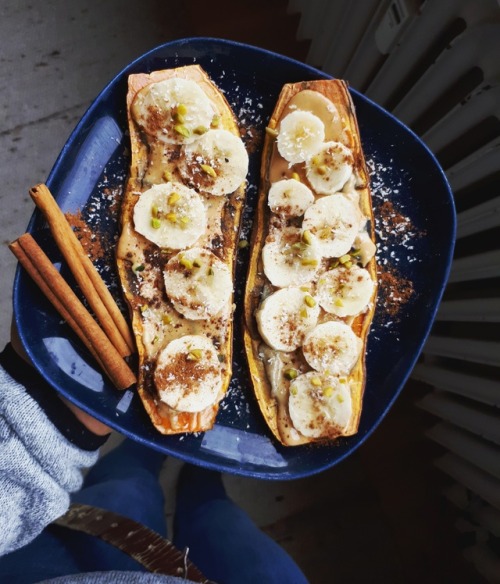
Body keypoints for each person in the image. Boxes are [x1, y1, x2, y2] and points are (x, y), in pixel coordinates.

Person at [0, 330, 309, 584]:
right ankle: (198, 472)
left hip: (63, 562)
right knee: (218, 518)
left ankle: (153, 447)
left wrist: (45, 419)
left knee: (129, 487)